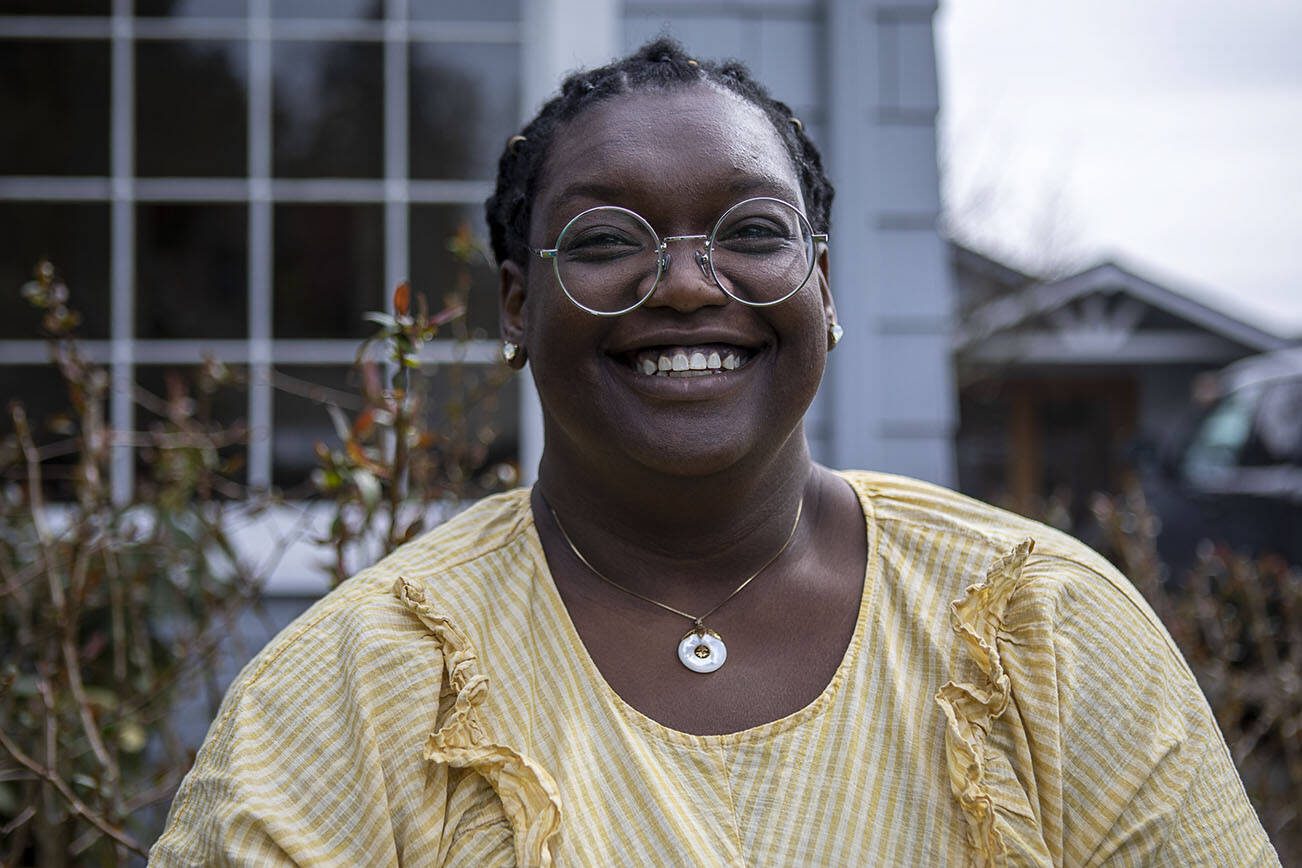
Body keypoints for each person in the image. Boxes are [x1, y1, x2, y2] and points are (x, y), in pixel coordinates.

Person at [151, 40, 1277, 866]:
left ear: (823, 288)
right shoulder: (361, 684)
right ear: (514, 303)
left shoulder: (1046, 629)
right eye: (603, 240)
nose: (688, 284)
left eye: (751, 230)